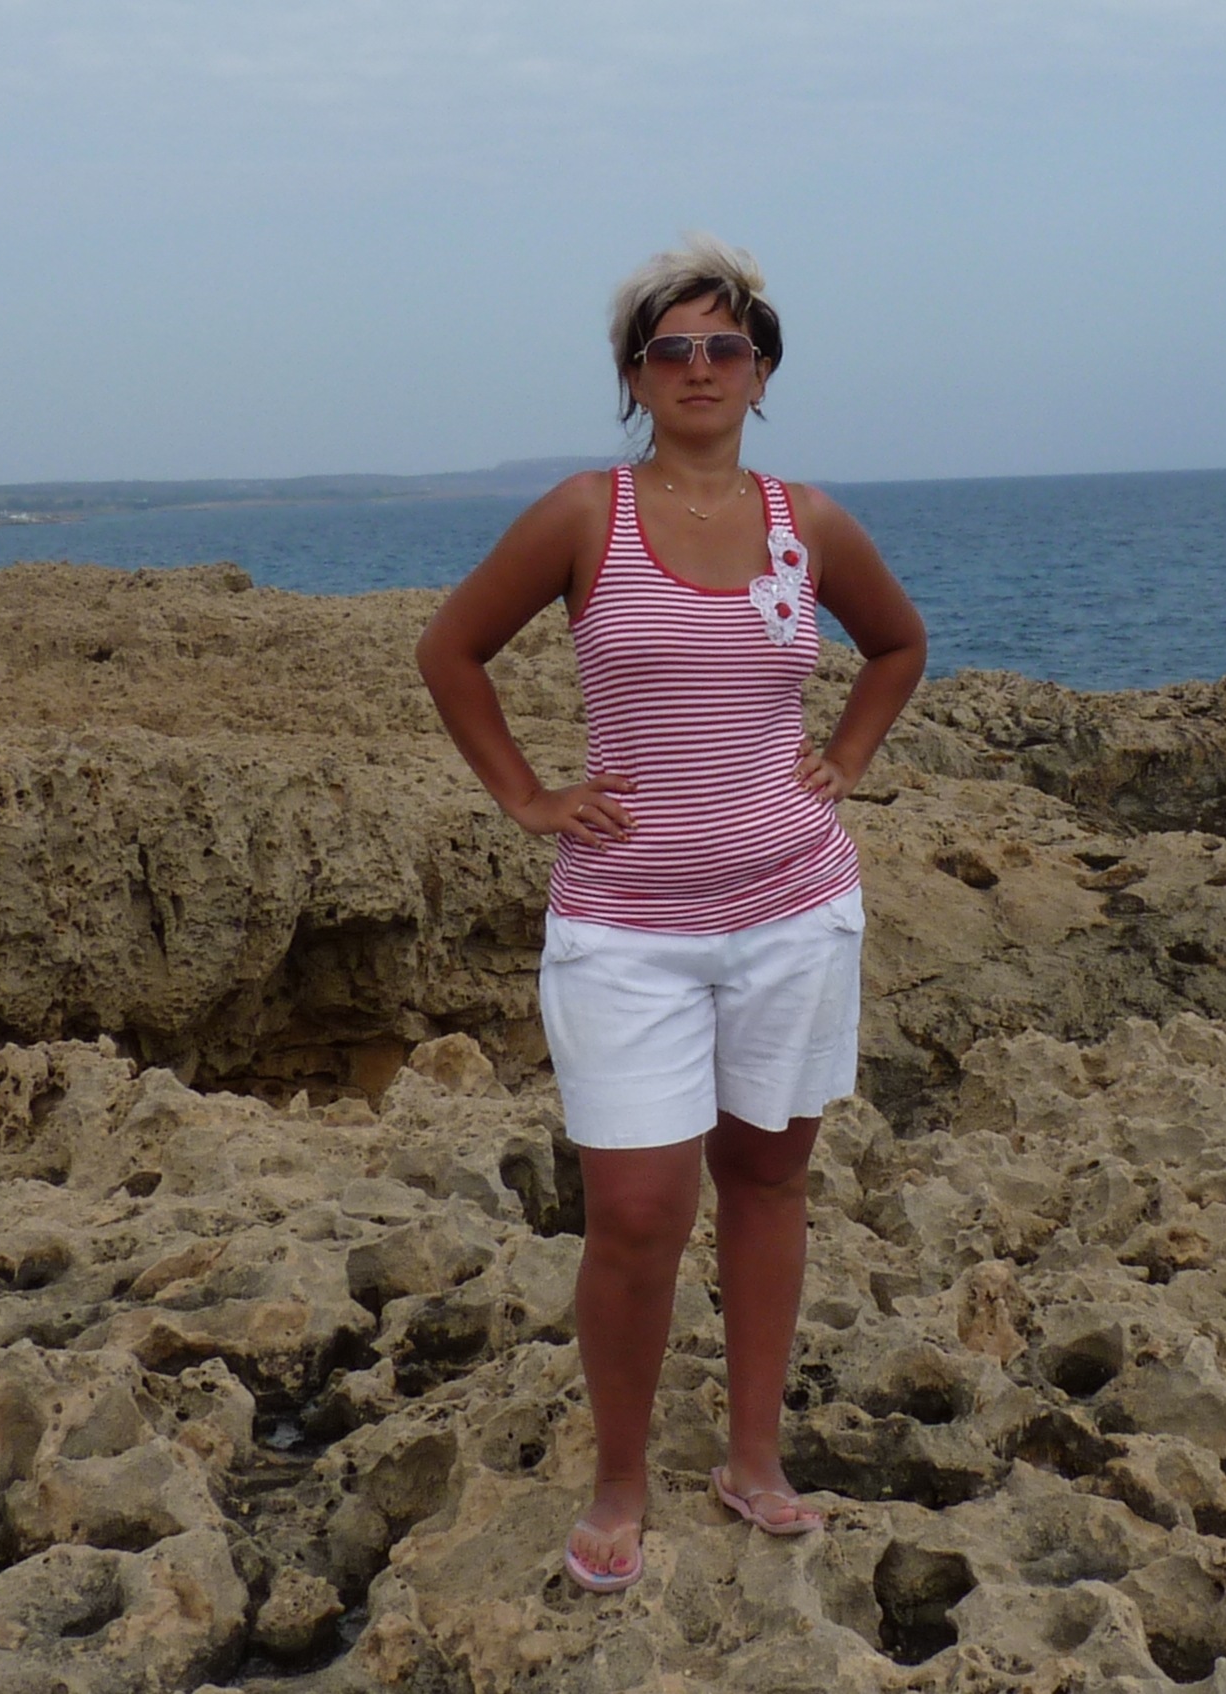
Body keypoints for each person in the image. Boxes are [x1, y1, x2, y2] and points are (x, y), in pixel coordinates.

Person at [416, 234, 926, 1593]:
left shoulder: (808, 522)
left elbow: (897, 642)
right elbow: (450, 650)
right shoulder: (584, 514)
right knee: (637, 1212)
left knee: (767, 1179)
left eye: (725, 345)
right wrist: (529, 795)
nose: (700, 366)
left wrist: (848, 758)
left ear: (761, 371)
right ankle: (619, 1479)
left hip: (794, 910)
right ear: (635, 376)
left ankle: (754, 1458)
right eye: (671, 347)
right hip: (625, 928)